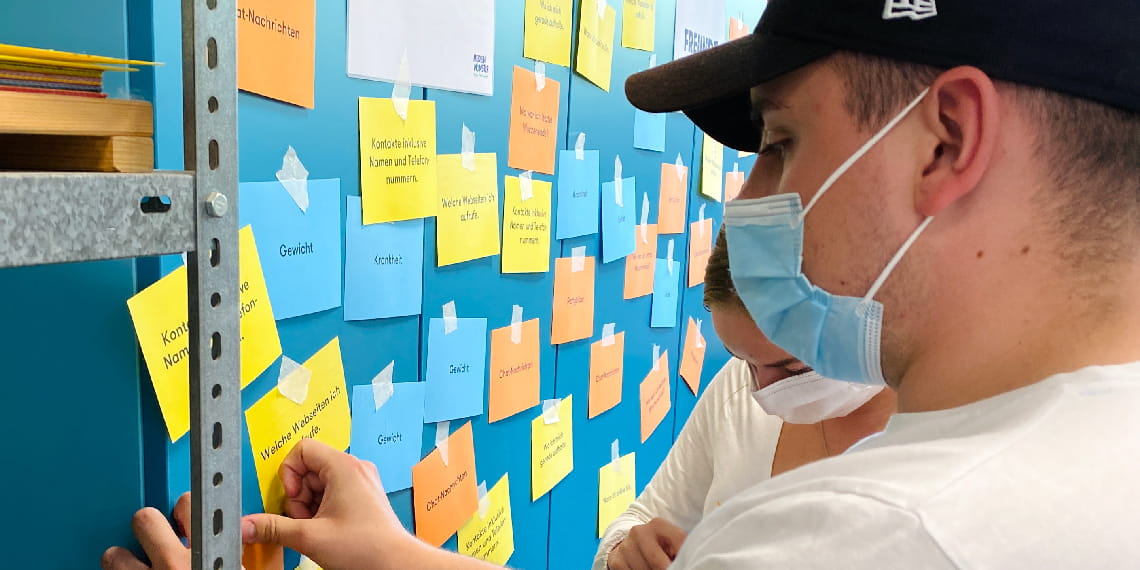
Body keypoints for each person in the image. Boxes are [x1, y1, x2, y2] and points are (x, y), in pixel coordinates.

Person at [108, 0, 1140, 567]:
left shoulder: (871, 536)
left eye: (780, 140)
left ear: (947, 139)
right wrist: (393, 554)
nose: (751, 197)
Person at [595, 228, 893, 570]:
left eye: (793, 368)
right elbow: (645, 516)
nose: (761, 392)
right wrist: (622, 552)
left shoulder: (933, 440)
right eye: (742, 359)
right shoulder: (735, 391)